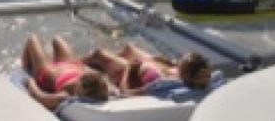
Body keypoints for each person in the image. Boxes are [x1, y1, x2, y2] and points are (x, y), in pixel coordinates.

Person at [21, 34, 110, 110]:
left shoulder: (65, 95)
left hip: (48, 72)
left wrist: (30, 82)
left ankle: (24, 68)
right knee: (57, 39)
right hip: (71, 66)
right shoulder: (102, 87)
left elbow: (40, 97)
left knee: (32, 39)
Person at [85, 42, 213, 96]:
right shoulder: (181, 75)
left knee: (99, 55)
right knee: (129, 48)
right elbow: (177, 68)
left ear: (187, 70)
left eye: (182, 62)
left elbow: (126, 92)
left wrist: (129, 68)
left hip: (128, 73)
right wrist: (167, 62)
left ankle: (80, 65)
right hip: (144, 65)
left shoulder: (162, 84)